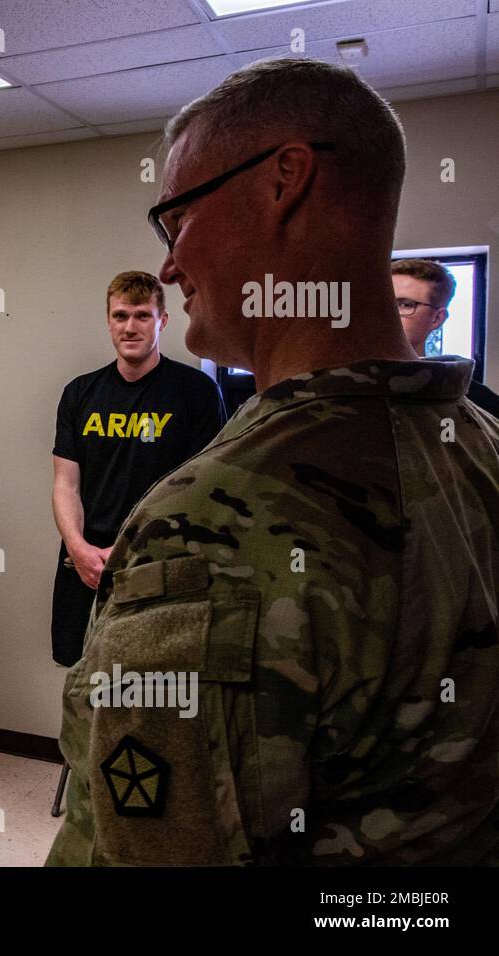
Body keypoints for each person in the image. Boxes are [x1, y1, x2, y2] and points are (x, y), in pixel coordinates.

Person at [48, 57, 499, 866]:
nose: (172, 265)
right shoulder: (479, 449)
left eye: (175, 218)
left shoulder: (211, 524)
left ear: (283, 180)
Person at [51, 270, 225, 667]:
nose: (130, 327)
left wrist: (131, 551)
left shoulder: (196, 391)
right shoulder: (80, 393)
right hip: (86, 564)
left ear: (162, 320)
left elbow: (200, 491)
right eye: (120, 316)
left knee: (154, 681)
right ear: (109, 321)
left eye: (142, 316)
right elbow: (66, 483)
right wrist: (78, 549)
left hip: (160, 559)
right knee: (84, 677)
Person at [393, 257, 499, 416]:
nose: (387, 314)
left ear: (437, 319)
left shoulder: (477, 401)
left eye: (405, 305)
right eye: (382, 303)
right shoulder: (348, 384)